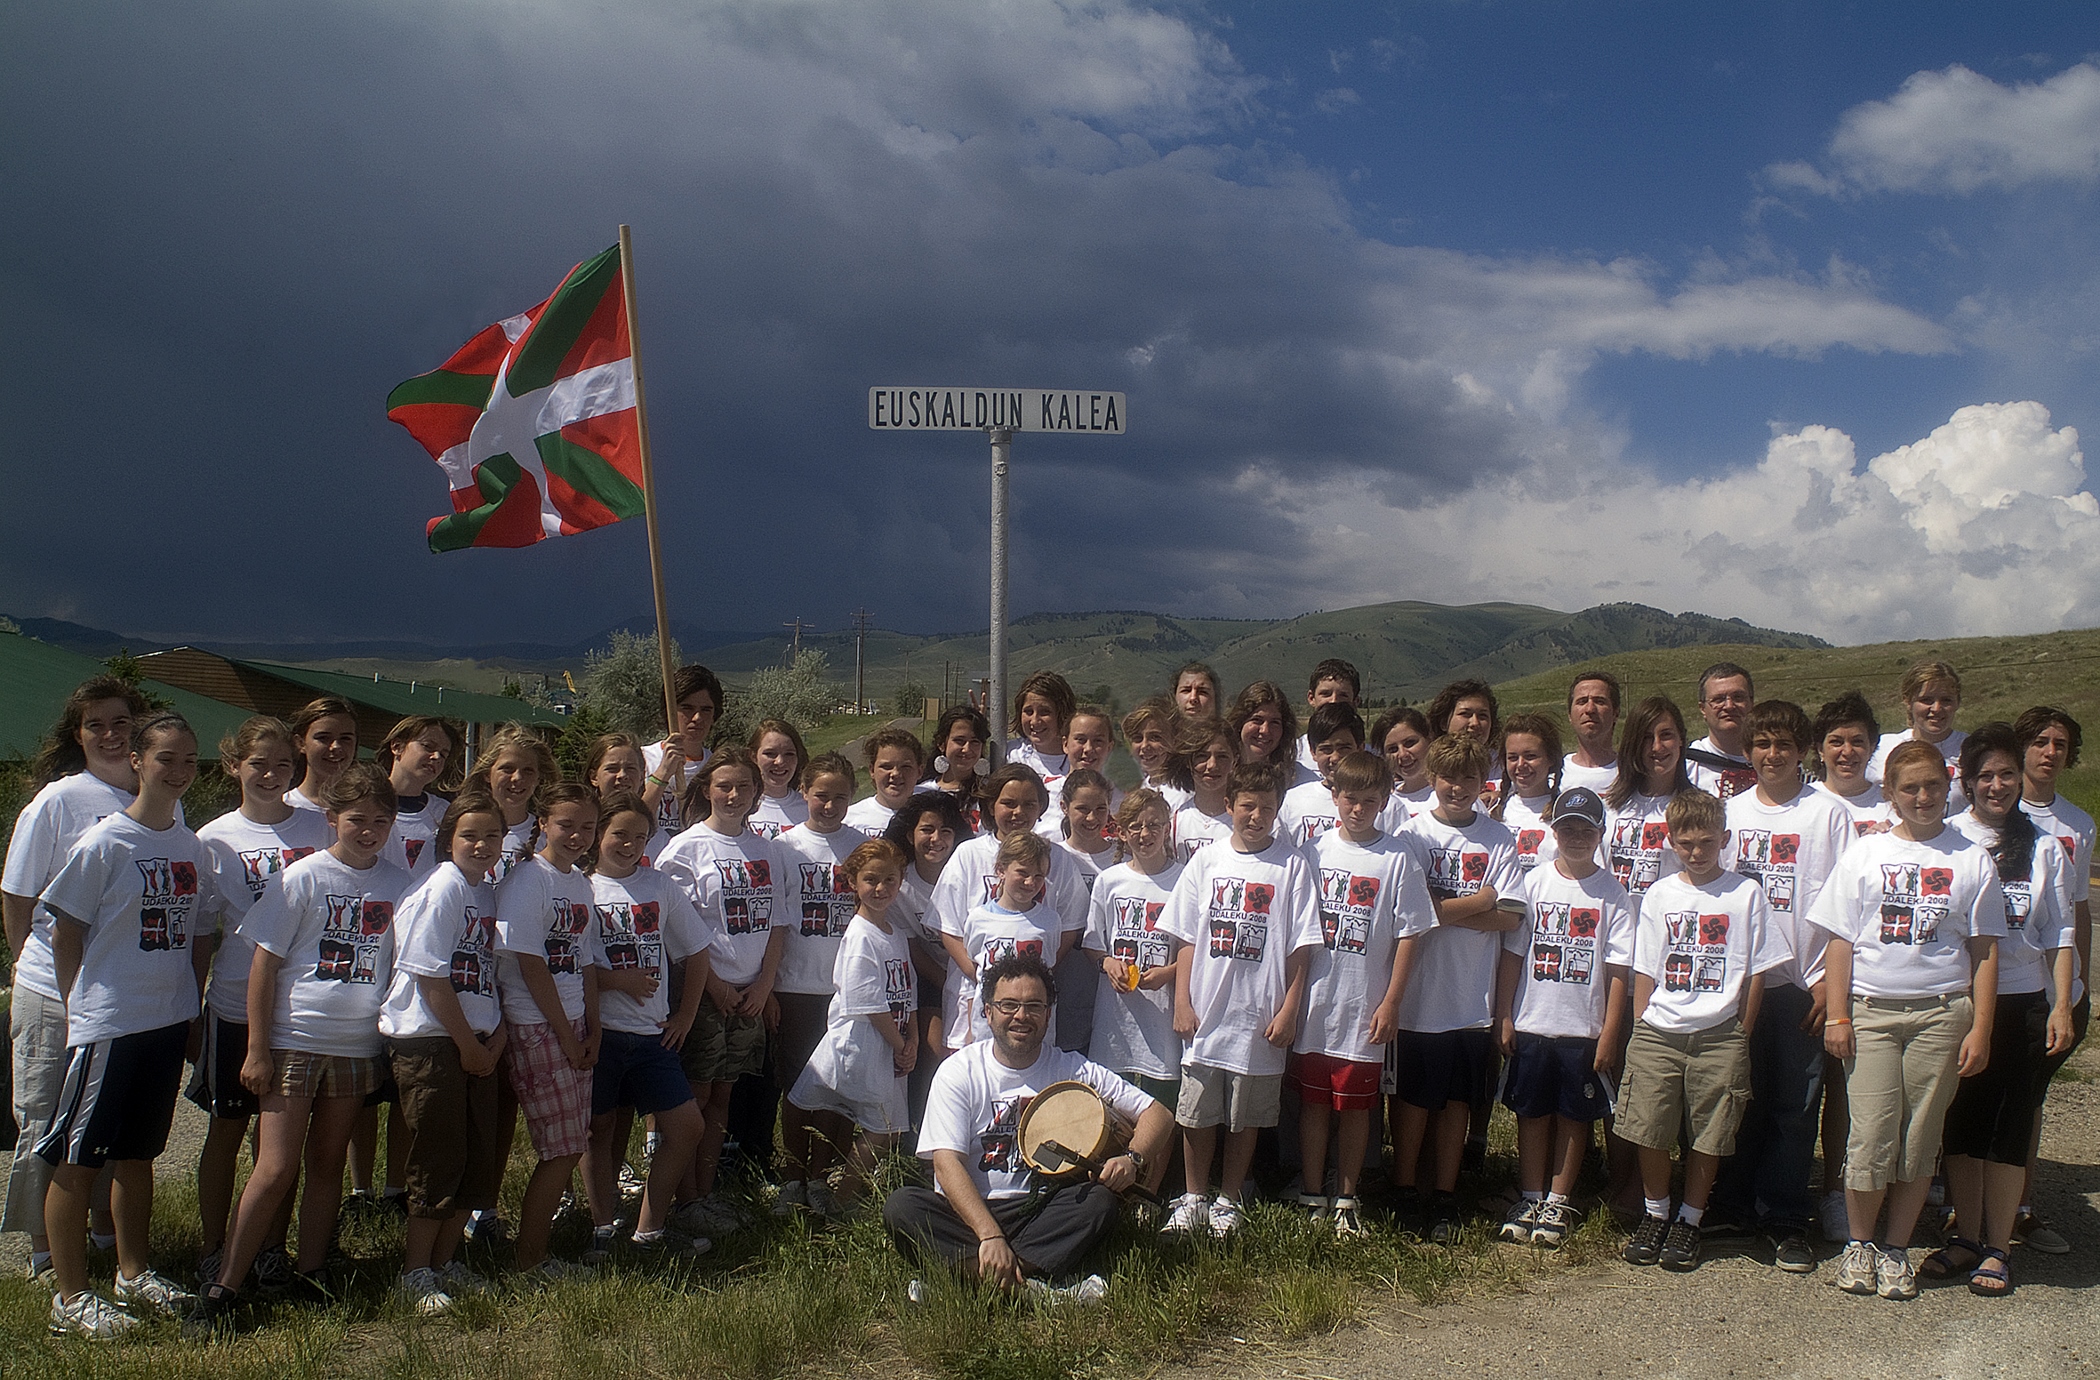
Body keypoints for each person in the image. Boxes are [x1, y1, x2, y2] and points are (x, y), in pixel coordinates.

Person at [205, 763, 409, 1308]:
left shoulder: (400, 885)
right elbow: (263, 966)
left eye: (380, 822)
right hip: (295, 1038)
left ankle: (312, 1271)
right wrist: (257, 1047)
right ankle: (226, 1282)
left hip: (355, 1045)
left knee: (327, 1162)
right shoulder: (303, 878)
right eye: (356, 819)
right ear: (331, 818)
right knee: (275, 1166)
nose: (369, 831)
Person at [36, 713, 212, 1336]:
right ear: (137, 760)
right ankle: (69, 1295)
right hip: (111, 1021)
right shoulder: (105, 842)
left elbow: (198, 932)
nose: (180, 770)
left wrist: (190, 1005)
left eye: (190, 759)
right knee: (79, 1158)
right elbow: (67, 929)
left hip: (164, 1019)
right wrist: (76, 1004)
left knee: (139, 1154)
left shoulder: (189, 846)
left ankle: (132, 1272)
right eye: (167, 757)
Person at [1809, 740, 2003, 1302]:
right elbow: (1841, 941)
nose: (1923, 797)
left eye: (1933, 787)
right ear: (1890, 794)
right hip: (1869, 1012)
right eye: (1909, 788)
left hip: (1941, 1013)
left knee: (1920, 1136)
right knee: (1869, 1132)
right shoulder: (1865, 855)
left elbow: (1983, 949)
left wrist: (1981, 1028)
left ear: (1949, 789)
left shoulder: (1970, 858)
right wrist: (1838, 1015)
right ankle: (1860, 1244)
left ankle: (1896, 1248)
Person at [885, 952, 1172, 1290]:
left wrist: (1133, 1158)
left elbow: (1160, 1115)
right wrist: (989, 1234)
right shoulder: (958, 1071)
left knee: (1098, 1202)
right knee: (902, 1206)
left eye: (1034, 1006)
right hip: (967, 1210)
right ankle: (1028, 1285)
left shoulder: (1072, 1069)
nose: (1021, 1016)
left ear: (1048, 1015)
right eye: (1009, 1005)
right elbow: (946, 1165)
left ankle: (971, 1279)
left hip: (1040, 1209)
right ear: (988, 1012)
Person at [3, 675, 150, 1281]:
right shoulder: (60, 801)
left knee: (102, 1118)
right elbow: (17, 894)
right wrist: (32, 965)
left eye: (122, 723)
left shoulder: (157, 795)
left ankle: (98, 1231)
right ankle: (43, 1246)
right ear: (78, 734)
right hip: (52, 987)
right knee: (45, 1114)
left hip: (119, 991)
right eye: (97, 725)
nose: (111, 736)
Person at [1707, 700, 1855, 1270]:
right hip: (1742, 982)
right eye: (1763, 744)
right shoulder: (1732, 812)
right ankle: (1735, 1203)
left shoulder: (1828, 814)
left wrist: (1829, 985)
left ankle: (1787, 1216)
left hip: (1805, 980)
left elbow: (1844, 908)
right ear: (1748, 751)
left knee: (1796, 1104)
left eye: (1784, 745)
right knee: (1741, 1097)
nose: (1773, 755)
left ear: (1803, 752)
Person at [1618, 788, 1786, 1273]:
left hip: (1719, 1031)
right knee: (1650, 1125)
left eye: (1707, 842)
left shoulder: (1744, 893)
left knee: (1709, 1132)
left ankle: (1690, 1220)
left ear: (1725, 840)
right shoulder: (1661, 893)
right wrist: (1642, 1023)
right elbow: (1645, 968)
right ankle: (1656, 1213)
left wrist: (1742, 1031)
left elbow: (1757, 971)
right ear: (1671, 841)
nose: (1696, 852)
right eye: (1686, 843)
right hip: (1660, 1027)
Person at [1933, 726, 2077, 1294]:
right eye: (1985, 776)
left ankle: (1998, 1246)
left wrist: (2062, 1004)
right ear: (1966, 782)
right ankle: (1965, 1236)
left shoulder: (2044, 846)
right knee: (1962, 1126)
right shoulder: (1946, 840)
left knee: (2009, 1129)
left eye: (2007, 775)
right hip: (1958, 999)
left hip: (2022, 1002)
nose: (1997, 786)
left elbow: (2060, 931)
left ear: (2021, 779)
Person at [191, 716, 332, 1291]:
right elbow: (203, 933)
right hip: (233, 1005)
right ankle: (212, 1246)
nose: (271, 775)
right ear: (234, 767)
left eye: (282, 765)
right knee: (227, 1130)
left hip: (296, 1010)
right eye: (258, 765)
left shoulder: (320, 827)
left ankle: (272, 1245)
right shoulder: (214, 839)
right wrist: (188, 1010)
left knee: (281, 1141)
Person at [1159, 762, 1321, 1238]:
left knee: (1245, 1115)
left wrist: (1290, 1007)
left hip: (1260, 1014)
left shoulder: (1292, 865)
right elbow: (1187, 937)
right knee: (1198, 1112)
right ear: (1229, 806)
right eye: (1247, 806)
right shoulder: (1207, 861)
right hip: (1207, 1013)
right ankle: (1193, 1197)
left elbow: (1301, 946)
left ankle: (1229, 1199)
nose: (1257, 816)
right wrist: (1182, 1001)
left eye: (1267, 807)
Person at [374, 792, 512, 1314]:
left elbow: (483, 973)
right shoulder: (442, 889)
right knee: (437, 1156)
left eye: (492, 836)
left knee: (475, 1156)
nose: (481, 845)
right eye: (470, 835)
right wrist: (466, 1046)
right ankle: (415, 1271)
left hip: (474, 1040)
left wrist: (492, 1037)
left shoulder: (484, 891)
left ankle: (446, 1260)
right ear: (447, 838)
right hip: (432, 1041)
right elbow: (430, 977)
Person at [1390, 735, 1522, 1242]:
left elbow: (1510, 916)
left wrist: (1445, 908)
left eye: (1469, 778)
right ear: (1433, 776)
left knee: (1457, 1104)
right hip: (1418, 997)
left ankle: (1445, 1196)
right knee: (1411, 1100)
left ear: (1482, 781)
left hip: (1471, 999)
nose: (1458, 787)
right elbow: (1409, 915)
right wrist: (1479, 898)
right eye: (1448, 777)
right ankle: (1404, 1189)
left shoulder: (1498, 838)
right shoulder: (1410, 835)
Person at [1297, 751, 1434, 1236]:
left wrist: (1392, 1000)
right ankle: (1312, 1193)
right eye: (1350, 799)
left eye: (1369, 801)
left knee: (1356, 1109)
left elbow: (1411, 933)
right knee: (1314, 1105)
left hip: (1365, 1005)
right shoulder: (1312, 852)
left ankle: (1347, 1198)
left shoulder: (1397, 858)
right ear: (1334, 796)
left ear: (1384, 801)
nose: (1358, 809)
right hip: (1316, 1003)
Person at [1493, 787, 1632, 1250]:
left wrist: (1610, 1033)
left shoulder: (1613, 895)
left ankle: (1559, 1198)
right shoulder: (1532, 883)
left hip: (1583, 1029)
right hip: (1533, 1022)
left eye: (1586, 830)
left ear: (1600, 834)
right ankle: (1531, 1195)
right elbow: (1513, 955)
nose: (1576, 837)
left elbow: (1617, 972)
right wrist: (1505, 1016)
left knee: (1575, 1118)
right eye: (1567, 828)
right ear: (1553, 832)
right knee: (1531, 1114)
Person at [655, 748, 787, 1236]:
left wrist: (764, 984)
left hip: (749, 993)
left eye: (744, 787)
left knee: (724, 1097)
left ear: (756, 794)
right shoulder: (685, 850)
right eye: (724, 786)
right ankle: (683, 1197)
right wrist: (712, 986)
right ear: (706, 788)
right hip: (703, 994)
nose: (734, 795)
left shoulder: (768, 849)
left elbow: (778, 923)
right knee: (696, 1095)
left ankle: (705, 1193)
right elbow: (677, 931)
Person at [581, 791, 708, 1261]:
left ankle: (648, 1230)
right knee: (598, 1130)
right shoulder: (579, 888)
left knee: (687, 1126)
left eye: (640, 836)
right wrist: (617, 980)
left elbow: (697, 951)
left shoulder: (659, 886)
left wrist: (686, 1015)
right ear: (598, 834)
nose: (629, 844)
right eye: (619, 834)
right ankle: (601, 1228)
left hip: (652, 1034)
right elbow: (563, 966)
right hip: (598, 1034)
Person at [493, 782, 604, 1277]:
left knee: (572, 1142)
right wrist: (563, 1031)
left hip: (574, 1020)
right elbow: (529, 963)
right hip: (538, 1022)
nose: (578, 835)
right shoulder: (527, 880)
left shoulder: (581, 883)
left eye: (587, 827)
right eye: (566, 825)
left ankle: (537, 1250)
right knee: (561, 1149)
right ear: (542, 824)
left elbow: (583, 961)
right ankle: (530, 1257)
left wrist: (592, 1027)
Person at [786, 839, 918, 1209]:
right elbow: (868, 1003)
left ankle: (838, 1194)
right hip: (864, 1043)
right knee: (882, 1128)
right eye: (871, 880)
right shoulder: (860, 935)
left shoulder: (895, 935)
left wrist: (913, 1038)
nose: (880, 889)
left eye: (890, 880)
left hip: (893, 1042)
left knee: (888, 1129)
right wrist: (898, 1044)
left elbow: (908, 993)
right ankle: (841, 1200)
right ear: (853, 882)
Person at [927, 764, 1091, 1053]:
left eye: (1029, 804)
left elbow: (1069, 926)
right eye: (1009, 803)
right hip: (973, 994)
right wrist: (981, 976)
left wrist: (1037, 973)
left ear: (1041, 807)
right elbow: (948, 927)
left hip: (1030, 1000)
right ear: (992, 805)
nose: (1019, 812)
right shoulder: (969, 854)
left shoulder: (1059, 859)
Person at [773, 754, 868, 1215]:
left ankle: (823, 1175)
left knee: (840, 1086)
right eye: (821, 796)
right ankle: (792, 1175)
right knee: (799, 1087)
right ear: (804, 793)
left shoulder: (861, 846)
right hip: (796, 985)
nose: (829, 805)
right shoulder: (784, 847)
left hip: (847, 989)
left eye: (840, 797)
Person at [2012, 704, 2091, 1254]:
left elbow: (2078, 911)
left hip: (2051, 984)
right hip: (1998, 981)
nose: (2049, 752)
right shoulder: (1992, 810)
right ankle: (1955, 1205)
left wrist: (2078, 985)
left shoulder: (2078, 824)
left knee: (2030, 1098)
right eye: (2040, 741)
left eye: (2060, 744)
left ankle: (2023, 1206)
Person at [1083, 790, 1186, 1113]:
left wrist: (1169, 973)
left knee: (1162, 1104)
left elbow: (1192, 946)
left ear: (1167, 828)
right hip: (1116, 1017)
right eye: (1136, 826)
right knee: (1112, 1105)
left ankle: (1154, 1165)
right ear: (1122, 832)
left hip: (1163, 1014)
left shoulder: (1183, 879)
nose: (1145, 834)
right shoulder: (1109, 881)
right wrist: (1108, 962)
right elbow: (1092, 942)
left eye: (1154, 825)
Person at [882, 792, 974, 1125]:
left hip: (971, 975)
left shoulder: (966, 874)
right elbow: (912, 946)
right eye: (927, 830)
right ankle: (919, 1128)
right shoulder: (901, 882)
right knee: (932, 1053)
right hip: (927, 976)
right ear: (911, 835)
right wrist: (948, 980)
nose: (936, 839)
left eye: (946, 831)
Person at [946, 832, 1075, 1047]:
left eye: (1038, 876)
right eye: (1022, 873)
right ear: (1000, 870)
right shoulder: (979, 919)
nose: (1030, 882)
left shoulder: (1050, 921)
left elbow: (1049, 967)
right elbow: (976, 970)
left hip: (1034, 1026)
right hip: (988, 1027)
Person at [1603, 696, 1693, 921]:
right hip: (1616, 933)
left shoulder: (1697, 809)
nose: (1657, 747)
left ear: (1681, 739)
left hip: (1669, 933)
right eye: (1645, 738)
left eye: (1666, 735)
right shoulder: (1611, 807)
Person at [1866, 660, 1967, 815]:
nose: (1936, 708)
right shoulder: (1883, 747)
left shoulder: (1969, 749)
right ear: (1908, 701)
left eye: (1946, 700)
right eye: (1926, 700)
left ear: (1957, 702)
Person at [466, 724, 558, 882]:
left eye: (528, 770)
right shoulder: (462, 830)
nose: (517, 778)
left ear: (538, 778)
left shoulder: (549, 835)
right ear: (488, 774)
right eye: (507, 769)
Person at [376, 716, 463, 880]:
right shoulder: (363, 803)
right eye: (428, 746)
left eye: (444, 754)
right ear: (397, 746)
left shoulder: (445, 813)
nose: (436, 756)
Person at [643, 664, 723, 840]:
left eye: (706, 709)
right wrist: (663, 773)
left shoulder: (717, 767)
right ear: (669, 710)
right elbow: (633, 819)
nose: (697, 718)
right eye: (687, 708)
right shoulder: (643, 759)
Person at [1278, 703, 1365, 848]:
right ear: (1313, 752)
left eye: (1344, 748)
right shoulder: (1292, 800)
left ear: (1360, 748)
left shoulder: (1379, 802)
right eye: (1326, 749)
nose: (1336, 757)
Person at [584, 731, 675, 863]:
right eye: (612, 768)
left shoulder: (660, 839)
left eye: (630, 768)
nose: (622, 775)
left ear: (641, 776)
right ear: (594, 777)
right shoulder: (581, 832)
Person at [1491, 712, 1564, 874]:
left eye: (1530, 756)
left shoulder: (1564, 813)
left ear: (1551, 759)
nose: (1521, 764)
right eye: (1513, 757)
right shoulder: (1493, 812)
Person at [1813, 692, 1893, 838]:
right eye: (1836, 742)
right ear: (1820, 749)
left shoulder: (1892, 803)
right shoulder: (1802, 802)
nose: (1848, 751)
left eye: (1857, 742)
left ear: (1872, 747)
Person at [1036, 707, 1120, 842]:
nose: (1088, 749)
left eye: (1098, 741)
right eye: (1080, 740)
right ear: (1065, 744)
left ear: (1109, 747)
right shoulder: (1040, 794)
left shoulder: (1124, 801)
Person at [1685, 663, 1758, 800]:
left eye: (1738, 697)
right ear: (1703, 709)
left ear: (1751, 703)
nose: (1729, 706)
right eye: (1718, 699)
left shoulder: (1773, 760)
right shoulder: (1686, 767)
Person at [1425, 681, 1502, 809]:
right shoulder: (1426, 766)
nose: (1475, 723)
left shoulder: (1507, 764)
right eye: (1465, 714)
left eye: (1482, 716)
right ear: (1444, 722)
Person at [1171, 716, 1237, 862]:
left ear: (1235, 760)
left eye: (1222, 756)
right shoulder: (1175, 820)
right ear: (1189, 761)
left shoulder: (1244, 819)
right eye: (1202, 756)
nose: (1212, 765)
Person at [285, 697, 359, 816]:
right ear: (300, 743)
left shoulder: (367, 813)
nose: (336, 746)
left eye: (345, 738)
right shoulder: (282, 808)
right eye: (323, 738)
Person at [922, 705, 991, 828]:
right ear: (941, 743)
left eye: (975, 742)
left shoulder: (990, 792)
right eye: (959, 740)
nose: (967, 749)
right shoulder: (921, 792)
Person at [845, 727, 923, 834]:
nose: (895, 773)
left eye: (905, 767)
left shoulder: (933, 818)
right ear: (872, 770)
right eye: (886, 766)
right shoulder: (849, 820)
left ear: (919, 771)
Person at [1371, 706, 1436, 833]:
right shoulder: (1382, 803)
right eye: (1392, 749)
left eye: (1410, 743)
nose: (1403, 754)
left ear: (1429, 739)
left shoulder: (1452, 794)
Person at [1294, 658, 1362, 774]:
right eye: (1325, 694)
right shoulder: (1294, 752)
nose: (1333, 701)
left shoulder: (1371, 756)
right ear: (1311, 698)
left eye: (1343, 695)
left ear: (1356, 701)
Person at [747, 718, 811, 841]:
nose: (780, 762)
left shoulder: (810, 808)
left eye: (789, 754)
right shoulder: (740, 805)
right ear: (753, 756)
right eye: (770, 753)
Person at [1123, 697, 1190, 809]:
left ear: (1175, 739)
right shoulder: (1140, 788)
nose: (1144, 746)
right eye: (1138, 738)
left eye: (1155, 737)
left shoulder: (1183, 798)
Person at [1005, 671, 1076, 777]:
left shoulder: (1080, 759)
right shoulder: (1008, 753)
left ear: (1063, 714)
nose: (1034, 721)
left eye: (1045, 712)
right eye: (1028, 712)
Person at [1561, 671, 1623, 794]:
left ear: (1616, 713)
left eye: (1599, 701)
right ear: (1570, 715)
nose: (1590, 709)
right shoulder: (1554, 774)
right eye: (1582, 701)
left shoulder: (1632, 773)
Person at [1228, 680, 1302, 777]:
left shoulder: (1297, 777)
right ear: (1240, 722)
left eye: (1274, 722)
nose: (1265, 730)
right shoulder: (1217, 772)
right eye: (1257, 720)